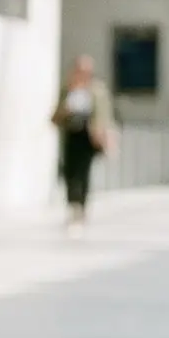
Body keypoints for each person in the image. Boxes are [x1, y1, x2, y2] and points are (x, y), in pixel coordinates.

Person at [53, 55, 115, 229]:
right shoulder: (68, 90)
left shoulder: (97, 90)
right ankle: (73, 205)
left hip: (88, 137)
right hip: (71, 134)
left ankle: (81, 206)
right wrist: (65, 110)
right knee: (70, 171)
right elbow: (57, 114)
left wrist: (106, 136)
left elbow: (104, 115)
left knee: (84, 171)